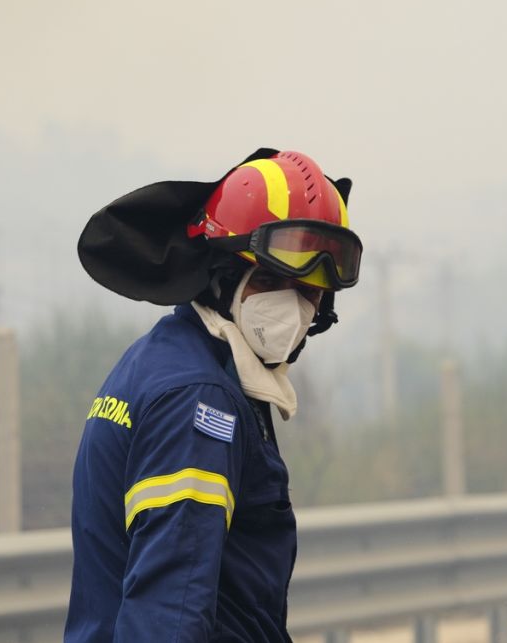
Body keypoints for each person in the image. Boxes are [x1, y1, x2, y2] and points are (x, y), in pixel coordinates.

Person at [64, 148, 363, 642]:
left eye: (309, 289)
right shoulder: (199, 402)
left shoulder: (166, 361)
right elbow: (169, 614)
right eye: (271, 280)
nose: (293, 307)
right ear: (224, 274)